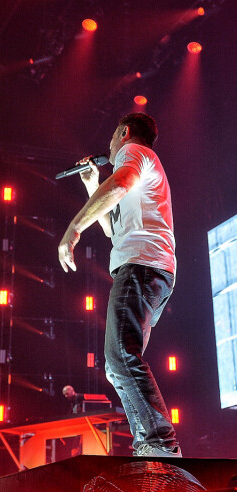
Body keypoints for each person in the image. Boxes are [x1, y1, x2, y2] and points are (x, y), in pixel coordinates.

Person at [57, 112, 181, 458]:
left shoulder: (134, 154)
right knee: (117, 364)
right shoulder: (138, 165)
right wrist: (90, 184)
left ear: (124, 133)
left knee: (121, 355)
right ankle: (151, 443)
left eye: (113, 138)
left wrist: (74, 228)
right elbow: (113, 229)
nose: (110, 146)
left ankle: (160, 445)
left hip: (140, 267)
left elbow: (120, 184)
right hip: (150, 270)